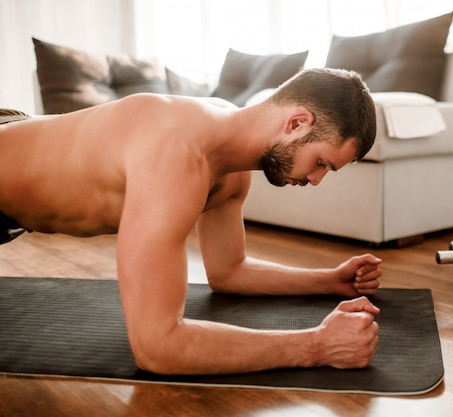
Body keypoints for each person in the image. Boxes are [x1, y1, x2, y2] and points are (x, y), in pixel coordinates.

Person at [0, 68, 383, 375]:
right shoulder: (176, 154)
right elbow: (157, 347)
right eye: (321, 163)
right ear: (297, 122)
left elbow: (229, 271)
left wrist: (330, 280)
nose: (315, 181)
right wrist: (317, 345)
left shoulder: (232, 169)